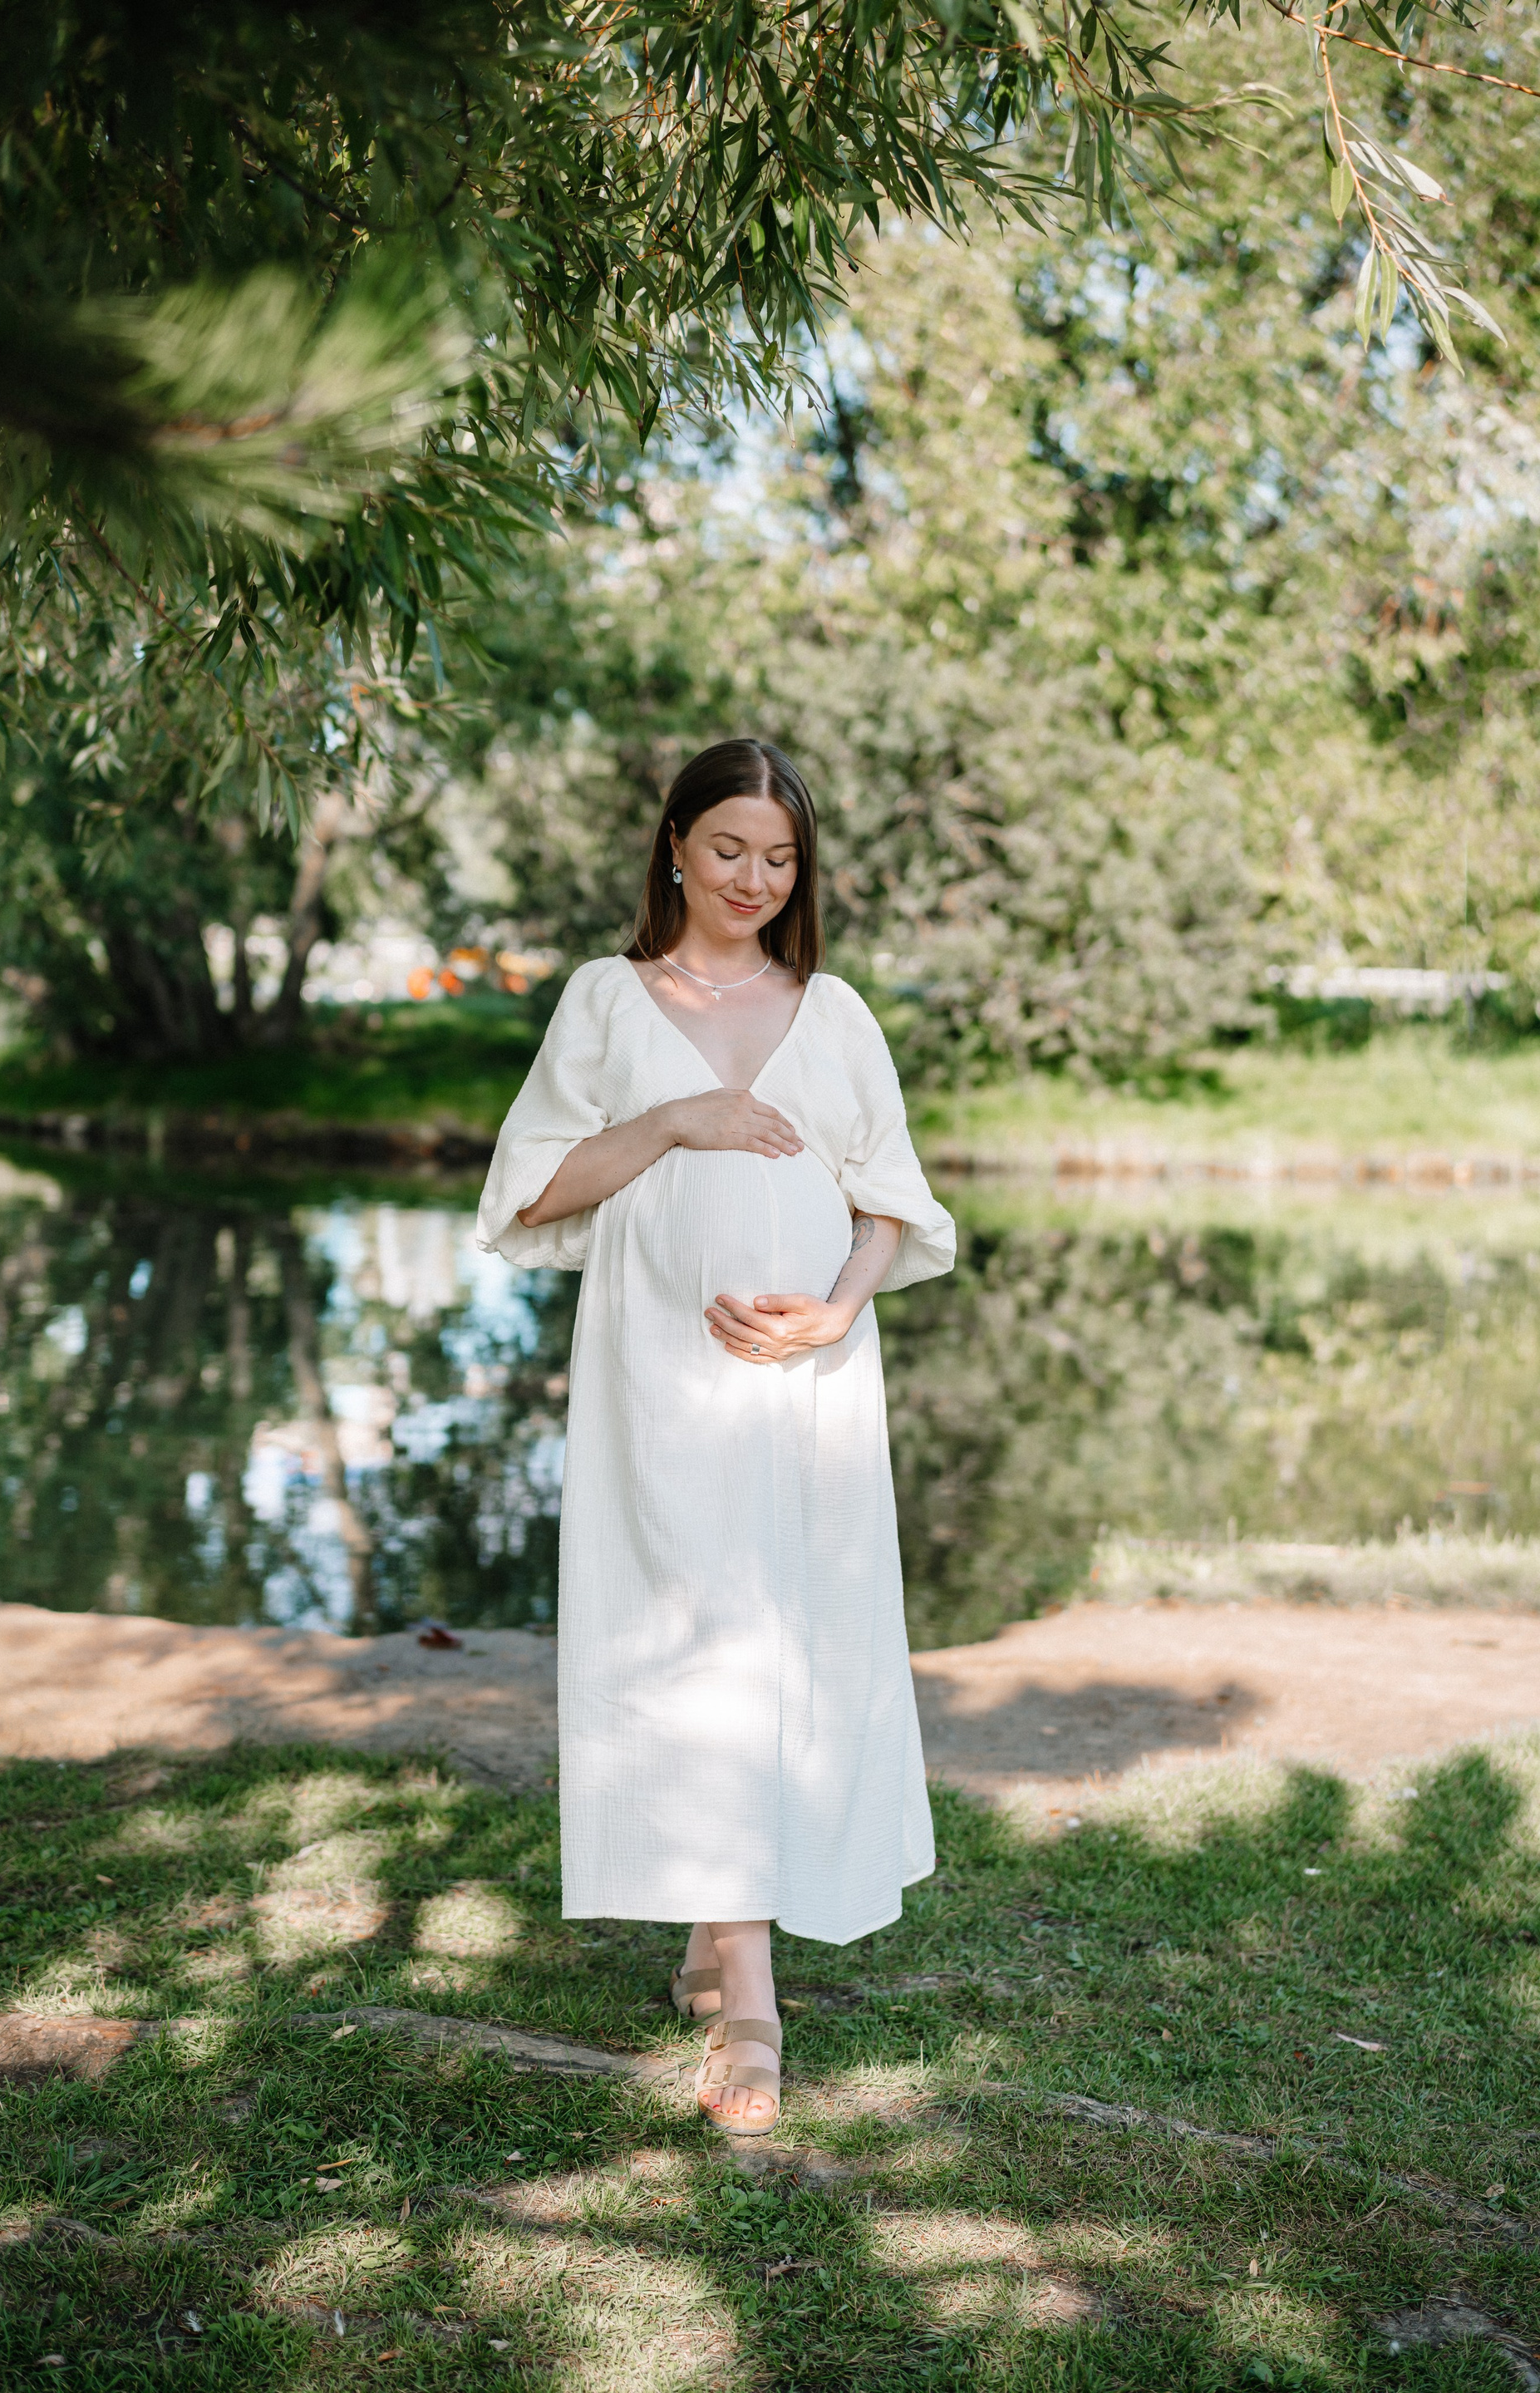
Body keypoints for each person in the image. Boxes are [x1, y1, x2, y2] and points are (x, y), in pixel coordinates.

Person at [475, 738, 955, 2133]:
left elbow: (890, 1204)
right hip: (659, 1378)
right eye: (730, 848)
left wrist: (835, 1312)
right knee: (689, 1631)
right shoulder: (607, 999)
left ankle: (726, 1948)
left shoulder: (834, 1013)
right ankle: (744, 1982)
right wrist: (678, 1120)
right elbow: (534, 1189)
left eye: (780, 858)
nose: (754, 879)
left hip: (806, 1384)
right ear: (675, 846)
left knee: (782, 1633)